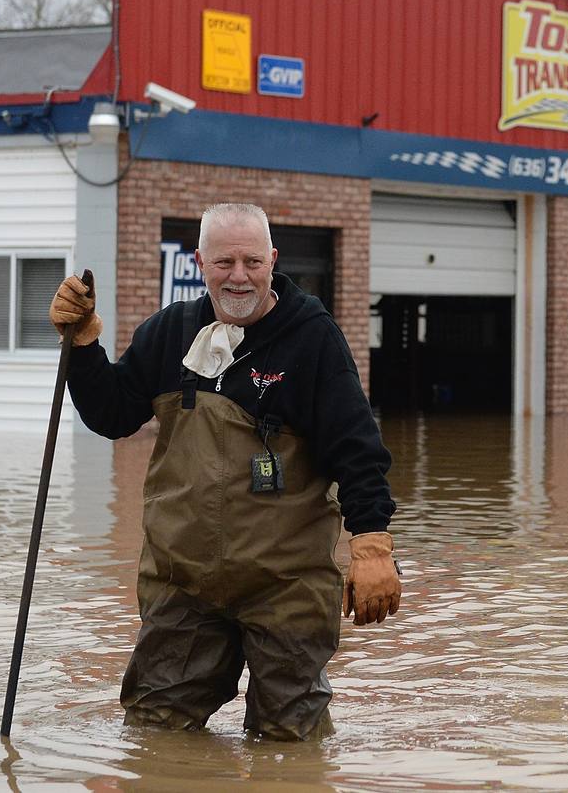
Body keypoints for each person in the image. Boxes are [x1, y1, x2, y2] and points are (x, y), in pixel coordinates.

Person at [48, 202, 400, 740]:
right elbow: (111, 415)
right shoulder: (169, 332)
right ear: (200, 263)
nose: (239, 276)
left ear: (273, 260)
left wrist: (371, 545)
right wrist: (84, 347)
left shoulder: (312, 337)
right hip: (181, 581)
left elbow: (357, 449)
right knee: (154, 734)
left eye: (253, 262)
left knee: (289, 742)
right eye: (224, 262)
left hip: (286, 584)